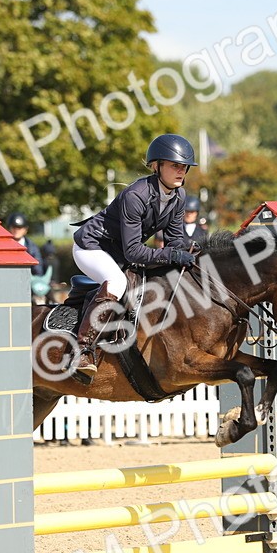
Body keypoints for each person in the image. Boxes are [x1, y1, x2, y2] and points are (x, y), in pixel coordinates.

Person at [70, 133, 198, 383]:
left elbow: (175, 241)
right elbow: (134, 252)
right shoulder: (136, 195)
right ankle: (83, 351)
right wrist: (172, 254)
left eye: (184, 167)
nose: (181, 171)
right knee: (117, 283)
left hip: (120, 253)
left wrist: (190, 253)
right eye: (175, 165)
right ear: (156, 166)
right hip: (92, 247)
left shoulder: (179, 197)